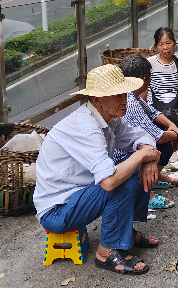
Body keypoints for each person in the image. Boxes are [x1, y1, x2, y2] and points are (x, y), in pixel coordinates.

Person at [33, 64, 162, 276]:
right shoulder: (87, 127)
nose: (124, 100)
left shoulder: (108, 120)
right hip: (57, 210)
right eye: (117, 95)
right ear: (97, 100)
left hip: (79, 196)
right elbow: (109, 182)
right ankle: (106, 252)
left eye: (124, 94)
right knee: (121, 179)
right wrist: (142, 156)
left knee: (132, 167)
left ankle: (125, 231)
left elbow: (139, 135)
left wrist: (146, 159)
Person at [115, 54, 178, 209]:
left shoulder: (132, 95)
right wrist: (177, 134)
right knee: (163, 145)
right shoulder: (130, 102)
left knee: (161, 135)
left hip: (124, 144)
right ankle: (145, 190)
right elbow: (158, 138)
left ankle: (154, 177)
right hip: (120, 156)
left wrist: (171, 125)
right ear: (145, 79)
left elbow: (152, 112)